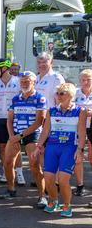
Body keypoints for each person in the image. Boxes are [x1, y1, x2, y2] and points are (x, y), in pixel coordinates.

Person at [33, 82, 86, 217]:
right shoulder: (52, 111)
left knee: (63, 180)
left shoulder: (80, 111)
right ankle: (54, 201)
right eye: (57, 93)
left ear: (71, 95)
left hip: (69, 148)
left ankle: (67, 205)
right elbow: (45, 132)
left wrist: (80, 150)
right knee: (48, 178)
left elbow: (81, 132)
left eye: (62, 93)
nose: (58, 96)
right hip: (52, 147)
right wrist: (38, 146)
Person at [0, 71, 47, 208]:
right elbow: (9, 120)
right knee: (7, 163)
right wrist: (11, 136)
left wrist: (19, 136)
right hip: (15, 134)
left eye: (27, 81)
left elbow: (39, 122)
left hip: (32, 135)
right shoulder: (15, 98)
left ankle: (42, 196)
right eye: (22, 82)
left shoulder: (40, 98)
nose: (24, 84)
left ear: (34, 82)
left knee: (34, 166)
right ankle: (11, 190)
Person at [0, 58, 22, 184]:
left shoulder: (18, 82)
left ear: (5, 69)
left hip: (14, 118)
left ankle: (19, 173)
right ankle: (5, 171)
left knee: (16, 146)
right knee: (2, 147)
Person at [74, 69, 92, 196]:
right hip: (77, 128)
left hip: (91, 127)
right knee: (78, 157)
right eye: (83, 80)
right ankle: (80, 185)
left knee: (91, 158)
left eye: (88, 80)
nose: (85, 82)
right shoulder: (74, 93)